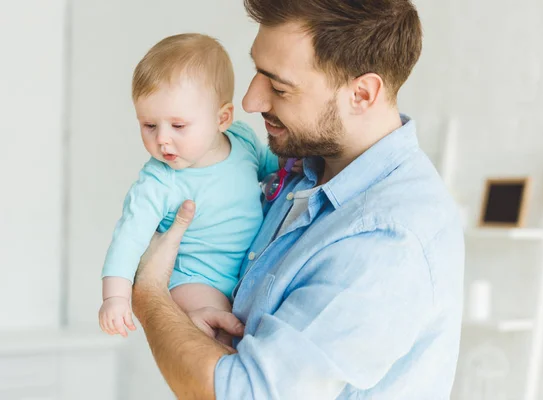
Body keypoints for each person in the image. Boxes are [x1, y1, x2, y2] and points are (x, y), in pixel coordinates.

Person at [132, 0, 465, 399]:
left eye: (279, 87)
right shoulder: (301, 170)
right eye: (257, 71)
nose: (251, 102)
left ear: (361, 93)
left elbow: (242, 393)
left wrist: (149, 294)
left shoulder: (388, 240)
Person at [98, 33, 284, 342]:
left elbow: (274, 166)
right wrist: (114, 297)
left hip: (244, 271)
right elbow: (127, 239)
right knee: (223, 333)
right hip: (194, 281)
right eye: (149, 125)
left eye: (178, 126)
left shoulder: (242, 140)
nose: (162, 139)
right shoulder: (159, 181)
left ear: (222, 118)